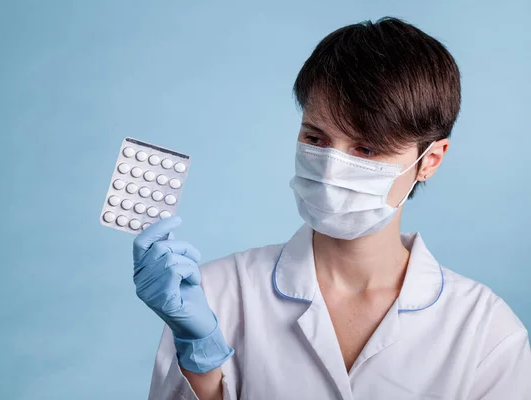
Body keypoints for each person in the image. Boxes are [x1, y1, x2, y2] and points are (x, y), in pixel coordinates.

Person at [132, 17, 531, 400]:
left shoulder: (485, 330)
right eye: (316, 138)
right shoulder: (215, 296)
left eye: (366, 149)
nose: (331, 167)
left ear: (430, 160)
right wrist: (198, 354)